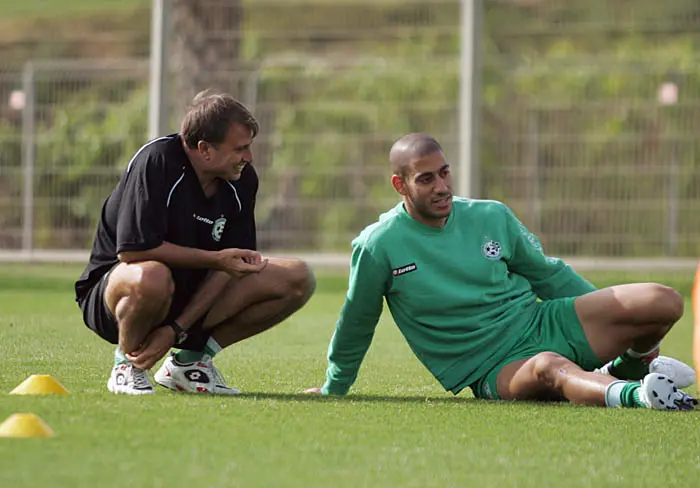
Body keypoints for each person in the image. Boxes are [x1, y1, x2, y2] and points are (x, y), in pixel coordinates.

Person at [306, 132, 696, 410]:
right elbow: (357, 319)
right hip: (493, 367)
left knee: (662, 300)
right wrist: (334, 387)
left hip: (542, 321)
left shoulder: (491, 214)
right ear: (399, 185)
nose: (441, 186)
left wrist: (608, 312)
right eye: (426, 179)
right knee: (549, 367)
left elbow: (549, 275)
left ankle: (627, 367)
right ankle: (641, 396)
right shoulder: (378, 245)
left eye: (444, 173)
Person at [75, 91, 315, 395]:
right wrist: (215, 260)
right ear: (204, 150)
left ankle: (190, 363)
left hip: (187, 298)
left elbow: (233, 266)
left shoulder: (243, 180)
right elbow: (133, 250)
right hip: (117, 294)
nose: (249, 158)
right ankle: (127, 365)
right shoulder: (157, 161)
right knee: (152, 276)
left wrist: (176, 330)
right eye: (240, 149)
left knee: (297, 277)